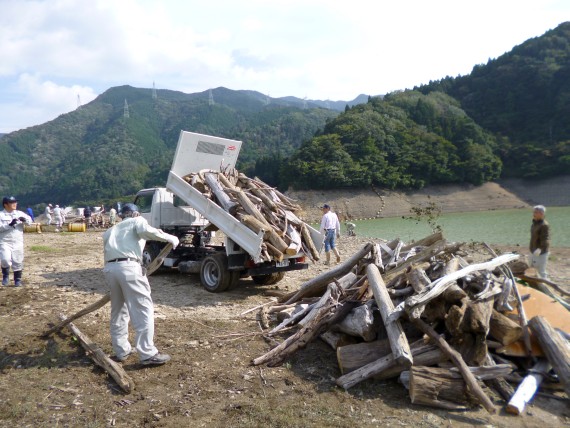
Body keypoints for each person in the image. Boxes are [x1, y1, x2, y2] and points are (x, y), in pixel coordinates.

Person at [102, 203, 179, 365]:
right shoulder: (137, 221)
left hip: (110, 269)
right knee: (143, 308)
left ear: (122, 215)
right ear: (135, 213)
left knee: (119, 311)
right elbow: (147, 231)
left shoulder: (110, 231)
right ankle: (147, 353)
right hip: (129, 267)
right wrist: (170, 238)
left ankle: (121, 351)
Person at [0, 196, 32, 286]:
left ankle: (17, 279)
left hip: (17, 241)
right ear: (5, 205)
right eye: (12, 203)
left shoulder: (19, 213)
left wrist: (25, 220)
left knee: (18, 260)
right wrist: (9, 225)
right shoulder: (1, 215)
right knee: (5, 259)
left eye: (15, 202)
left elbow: (30, 221)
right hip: (4, 241)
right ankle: (5, 275)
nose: (15, 204)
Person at [529, 205, 550, 279]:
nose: (533, 213)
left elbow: (546, 238)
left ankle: (545, 287)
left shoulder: (544, 225)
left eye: (536, 212)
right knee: (532, 269)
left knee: (541, 271)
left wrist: (540, 249)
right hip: (533, 250)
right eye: (534, 212)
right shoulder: (534, 223)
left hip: (541, 252)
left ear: (541, 214)